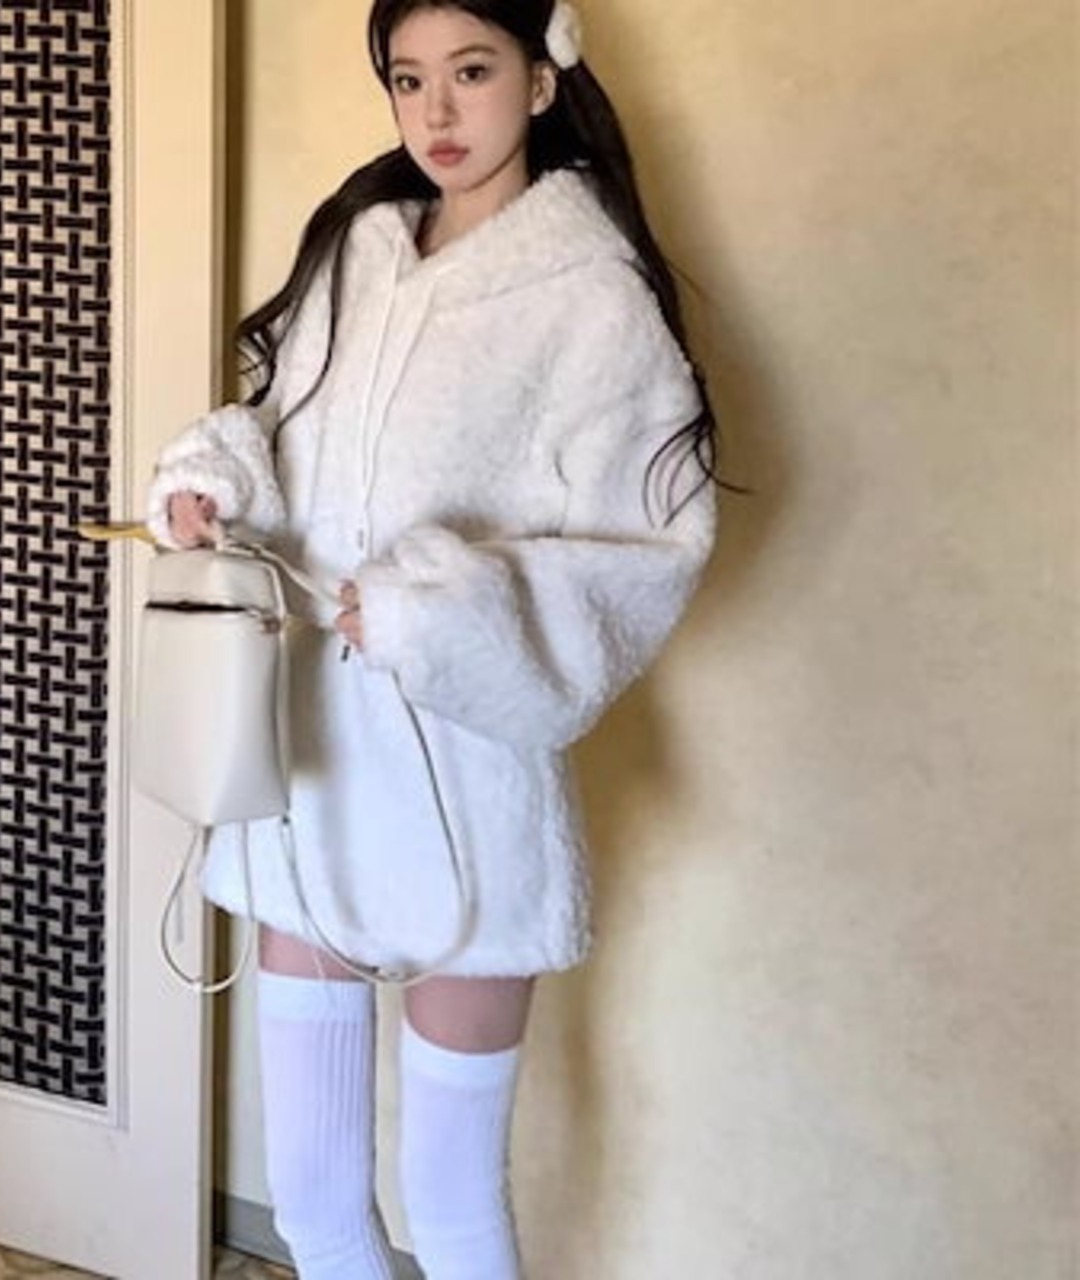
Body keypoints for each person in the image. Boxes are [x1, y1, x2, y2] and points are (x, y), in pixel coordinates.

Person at [146, 2, 719, 1276]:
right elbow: (275, 430)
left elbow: (646, 549)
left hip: (467, 780)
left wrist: (431, 610)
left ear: (540, 81)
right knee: (312, 1200)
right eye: (408, 80)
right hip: (307, 770)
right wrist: (212, 481)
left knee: (449, 1206)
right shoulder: (355, 254)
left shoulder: (590, 293)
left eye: (470, 71)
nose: (437, 112)